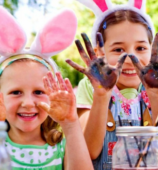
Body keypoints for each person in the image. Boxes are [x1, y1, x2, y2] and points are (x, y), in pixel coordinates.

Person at [66, 0, 158, 169]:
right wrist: (101, 96)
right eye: (118, 50)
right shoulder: (90, 87)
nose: (130, 58)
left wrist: (157, 96)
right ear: (99, 53)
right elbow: (89, 151)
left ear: (152, 49)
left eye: (140, 48)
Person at [0, 7, 93, 169]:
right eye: (16, 92)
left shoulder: (62, 145)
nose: (28, 103)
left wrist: (70, 124)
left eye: (38, 92)